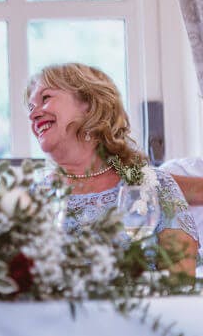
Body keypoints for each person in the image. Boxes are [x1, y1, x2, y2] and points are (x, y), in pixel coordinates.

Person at [26, 63, 199, 277]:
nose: (33, 115)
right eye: (31, 108)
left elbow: (180, 282)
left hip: (143, 309)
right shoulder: (33, 199)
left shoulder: (156, 185)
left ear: (89, 105)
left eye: (45, 98)